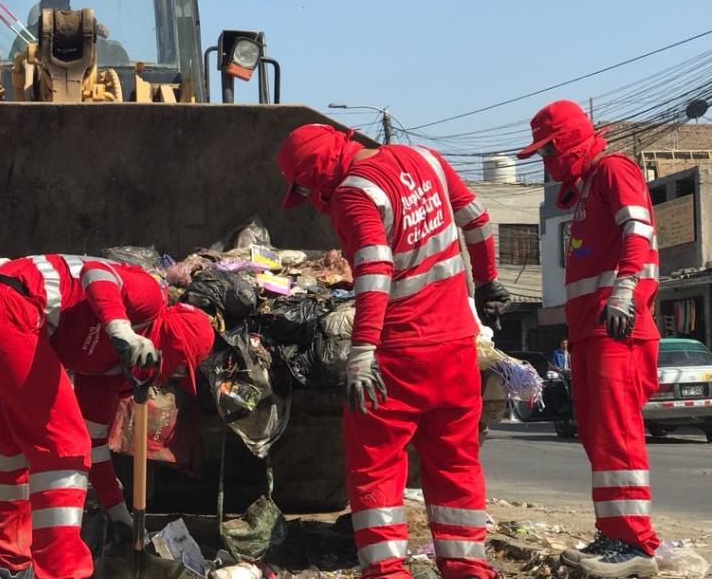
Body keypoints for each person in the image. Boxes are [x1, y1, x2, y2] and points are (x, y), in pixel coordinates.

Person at [278, 124, 510, 579]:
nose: (309, 198)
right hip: (458, 347)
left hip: (399, 355)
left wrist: (362, 349)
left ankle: (387, 572)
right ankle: (466, 568)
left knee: (375, 465)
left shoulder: (352, 194)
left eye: (305, 187)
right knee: (455, 462)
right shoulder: (426, 159)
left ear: (318, 172)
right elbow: (478, 219)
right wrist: (486, 281)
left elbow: (375, 266)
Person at [0, 254, 216, 579]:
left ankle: (9, 566)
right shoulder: (150, 298)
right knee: (64, 445)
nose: (167, 376)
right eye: (177, 365)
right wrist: (122, 330)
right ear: (171, 340)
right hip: (3, 303)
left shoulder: (109, 371)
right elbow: (96, 271)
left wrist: (119, 513)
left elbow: (95, 444)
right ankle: (62, 571)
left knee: (14, 445)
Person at [517, 100, 660, 578]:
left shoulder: (613, 170)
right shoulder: (586, 187)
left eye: (548, 150)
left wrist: (623, 293)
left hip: (615, 326)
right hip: (591, 331)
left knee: (616, 435)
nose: (547, 161)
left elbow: (637, 228)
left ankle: (632, 543)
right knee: (601, 437)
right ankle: (617, 531)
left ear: (569, 141)